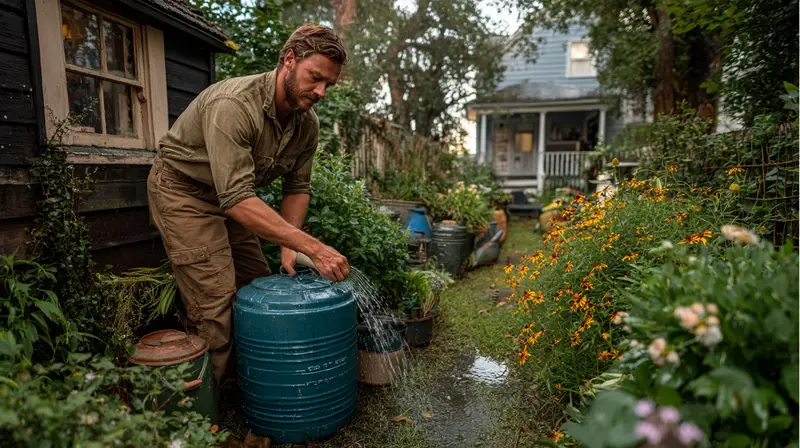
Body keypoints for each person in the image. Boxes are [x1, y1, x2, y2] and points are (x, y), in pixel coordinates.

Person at [147, 24, 351, 387]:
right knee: (215, 303)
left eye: (328, 85)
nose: (320, 92)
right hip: (184, 193)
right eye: (315, 78)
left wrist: (288, 246)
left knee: (258, 286)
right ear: (289, 60)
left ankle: (250, 383)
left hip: (231, 198)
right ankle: (206, 410)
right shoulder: (234, 105)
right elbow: (238, 198)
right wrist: (313, 248)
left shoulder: (307, 125)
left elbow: (297, 187)